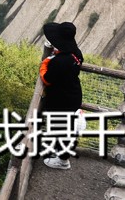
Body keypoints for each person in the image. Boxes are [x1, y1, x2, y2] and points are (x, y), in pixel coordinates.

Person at [38, 20, 84, 170]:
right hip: (73, 96)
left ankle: (63, 161)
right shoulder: (76, 53)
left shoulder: (60, 61)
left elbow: (47, 78)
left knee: (61, 129)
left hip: (61, 101)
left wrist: (45, 64)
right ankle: (58, 153)